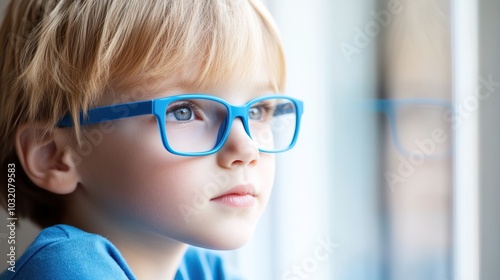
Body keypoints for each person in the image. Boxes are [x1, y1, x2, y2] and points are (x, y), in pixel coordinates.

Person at [0, 0, 303, 279]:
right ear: (54, 156)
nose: (246, 149)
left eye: (259, 110)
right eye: (183, 112)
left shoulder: (200, 267)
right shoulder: (64, 268)